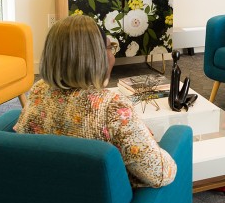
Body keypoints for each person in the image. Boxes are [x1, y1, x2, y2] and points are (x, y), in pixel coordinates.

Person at [14, 14, 177, 188]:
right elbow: (160, 174)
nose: (112, 55)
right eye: (110, 47)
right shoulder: (112, 107)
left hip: (44, 192)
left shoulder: (39, 89)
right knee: (178, 138)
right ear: (95, 56)